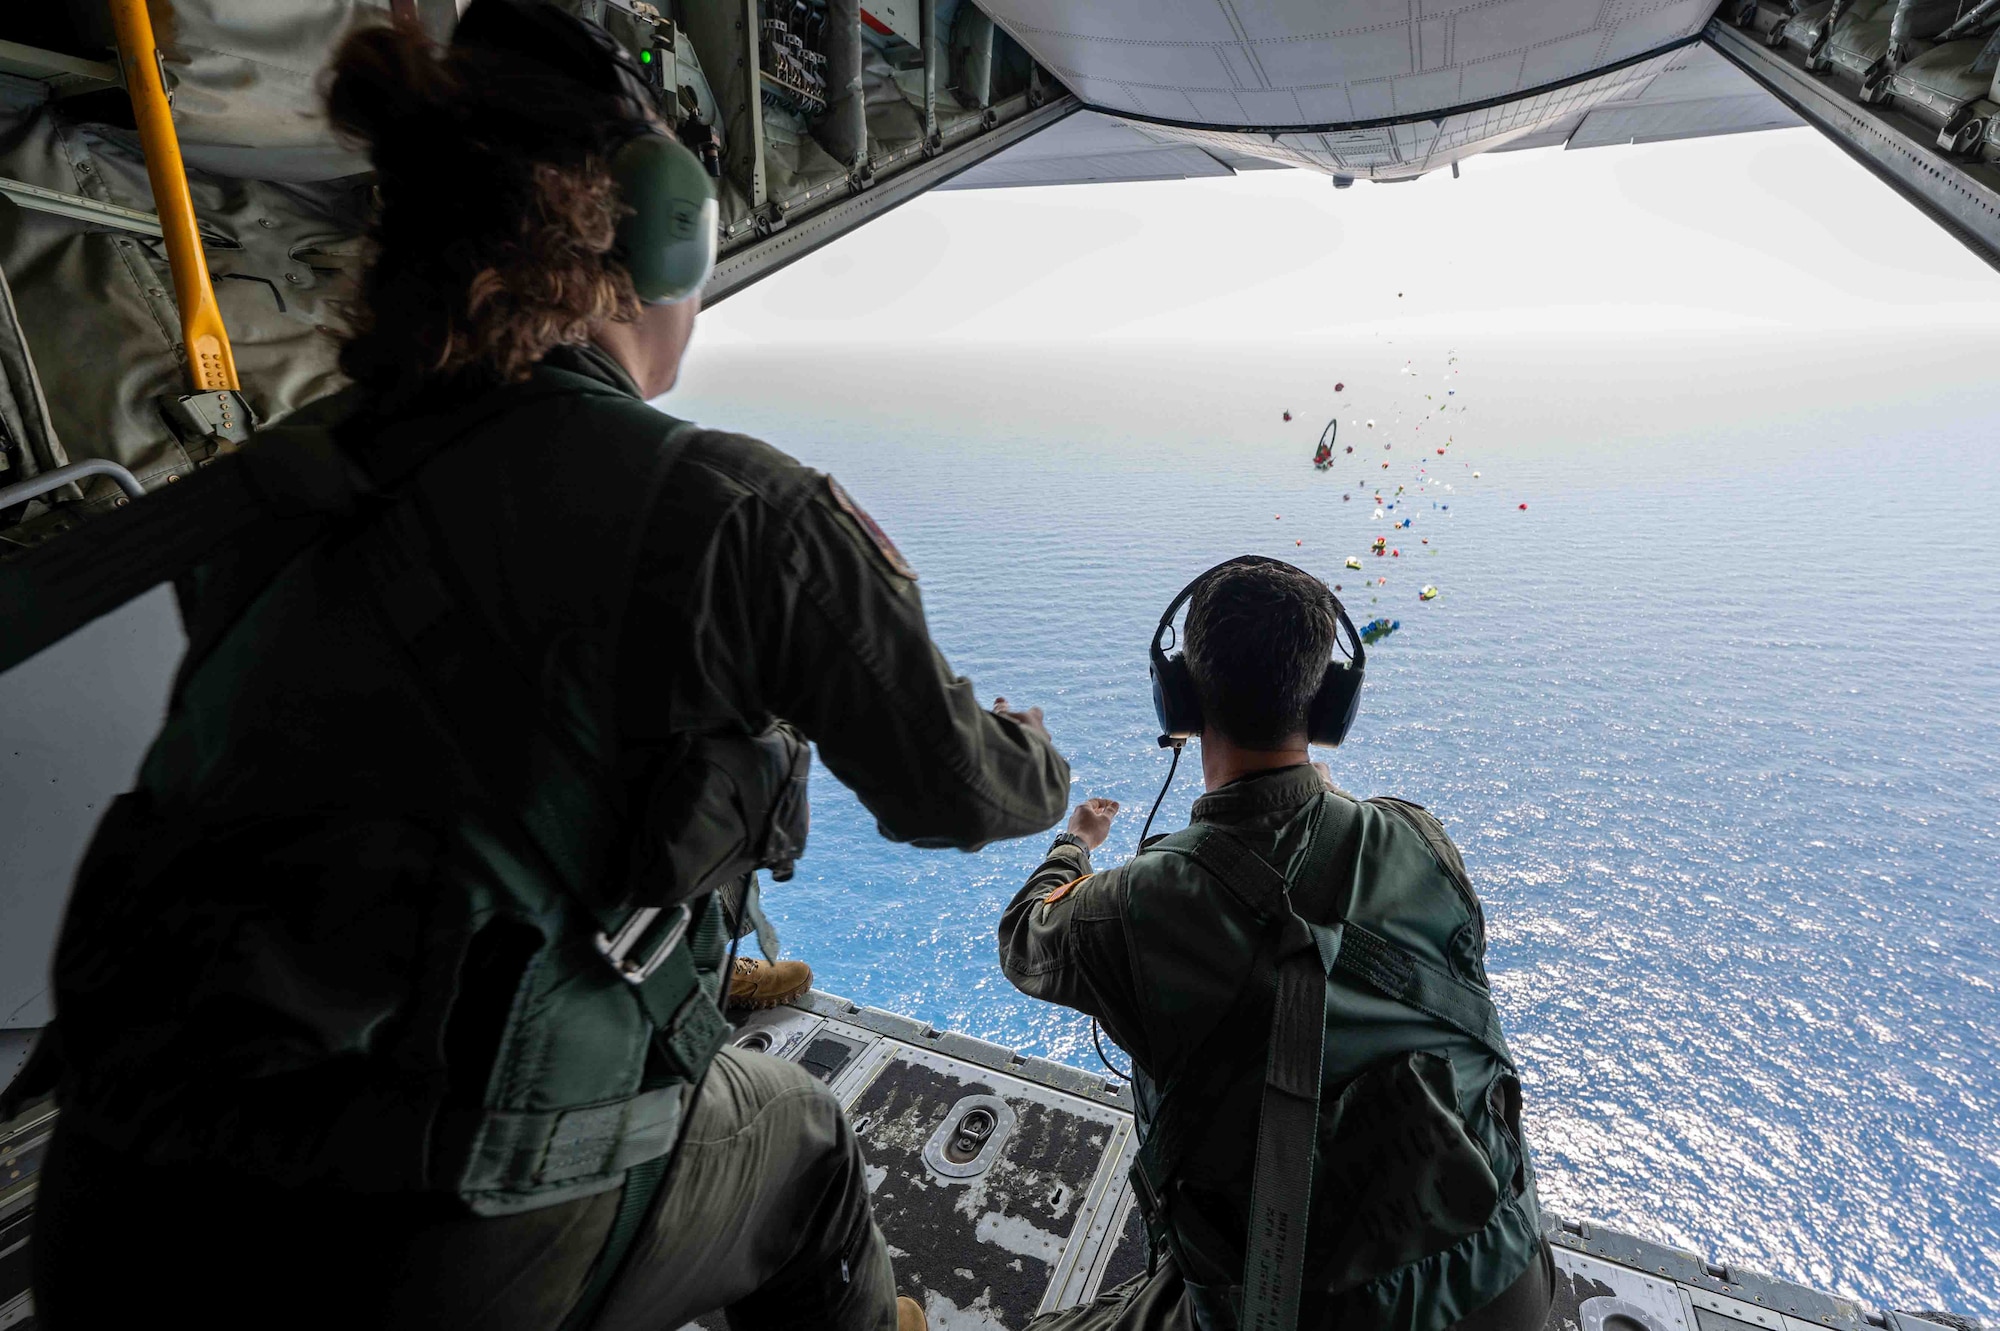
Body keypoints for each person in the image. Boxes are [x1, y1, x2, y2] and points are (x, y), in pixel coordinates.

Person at [23, 6, 1068, 1330]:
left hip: (115, 1208)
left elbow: (430, 776)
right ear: (663, 238)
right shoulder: (739, 509)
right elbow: (956, 792)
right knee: (803, 1142)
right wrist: (1040, 750)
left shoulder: (283, 487)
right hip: (398, 1251)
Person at [998, 557, 1551, 1331]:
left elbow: (1024, 936)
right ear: (1327, 705)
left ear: (1182, 698)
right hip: (1507, 1282)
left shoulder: (1134, 905)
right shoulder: (1420, 839)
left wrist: (1074, 844)